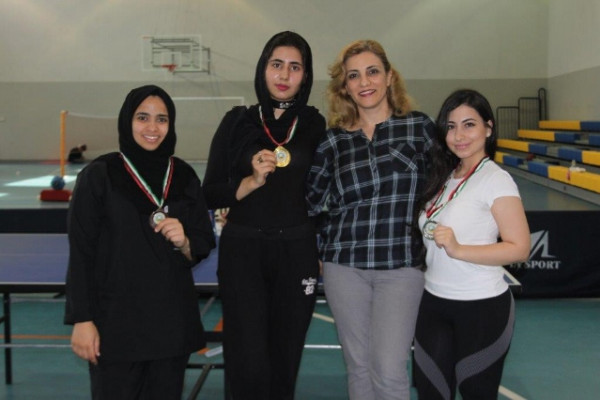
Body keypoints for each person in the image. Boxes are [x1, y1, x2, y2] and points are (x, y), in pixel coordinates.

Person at [64, 85, 216, 400]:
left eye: (161, 119)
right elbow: (81, 252)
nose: (152, 127)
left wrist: (185, 241)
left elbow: (201, 241)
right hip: (115, 327)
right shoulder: (99, 175)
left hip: (170, 326)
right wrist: (82, 319)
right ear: (126, 121)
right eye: (142, 117)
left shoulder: (184, 175)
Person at [305, 39, 435, 400]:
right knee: (358, 368)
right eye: (353, 75)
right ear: (344, 87)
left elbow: (443, 186)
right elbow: (311, 203)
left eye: (372, 71)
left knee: (389, 370)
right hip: (344, 267)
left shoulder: (420, 129)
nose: (364, 82)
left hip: (401, 266)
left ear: (390, 77)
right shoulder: (333, 142)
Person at [202, 31, 326, 399]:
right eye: (277, 64)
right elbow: (208, 193)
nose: (284, 75)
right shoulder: (236, 122)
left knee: (284, 360)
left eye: (294, 67)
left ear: (305, 76)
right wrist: (248, 182)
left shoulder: (316, 125)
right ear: (263, 69)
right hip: (243, 252)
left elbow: (325, 195)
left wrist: (320, 246)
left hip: (297, 253)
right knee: (246, 360)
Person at [413, 89, 530, 399]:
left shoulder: (496, 179)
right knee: (430, 392)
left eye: (469, 124)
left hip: (482, 309)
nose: (459, 135)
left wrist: (459, 249)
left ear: (488, 128)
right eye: (451, 126)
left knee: (477, 393)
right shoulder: (445, 175)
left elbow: (520, 247)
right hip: (434, 302)